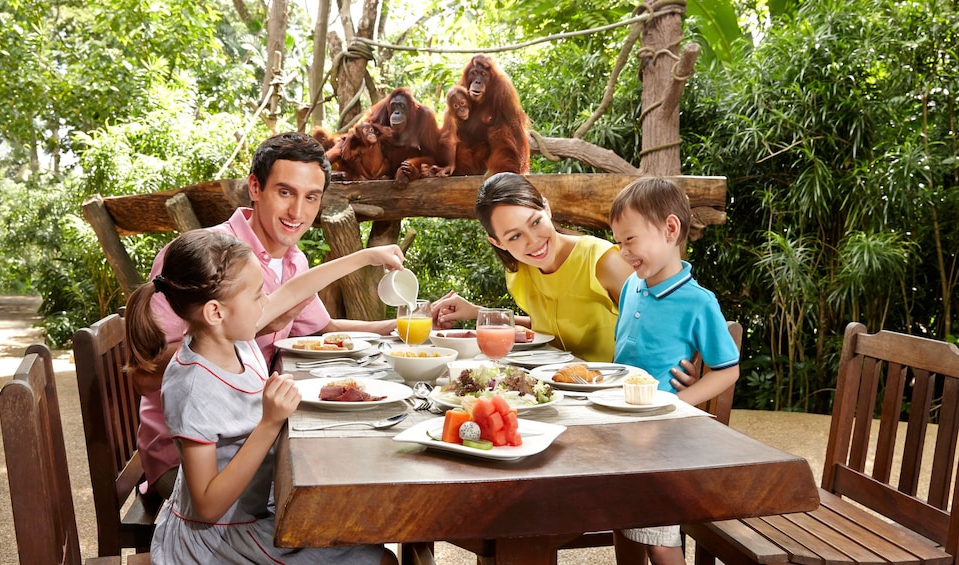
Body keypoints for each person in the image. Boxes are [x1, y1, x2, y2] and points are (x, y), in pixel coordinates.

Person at [131, 131, 398, 499]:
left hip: (251, 430)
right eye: (285, 192)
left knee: (354, 462)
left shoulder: (294, 259)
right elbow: (145, 378)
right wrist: (251, 331)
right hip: (188, 461)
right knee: (336, 486)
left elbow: (324, 329)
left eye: (311, 198)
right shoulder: (205, 258)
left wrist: (397, 327)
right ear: (255, 187)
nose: (298, 213)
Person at [126, 229, 401, 564]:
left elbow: (296, 288)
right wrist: (270, 423)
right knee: (379, 559)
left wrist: (367, 257)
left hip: (251, 510)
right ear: (216, 311)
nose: (266, 302)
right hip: (218, 540)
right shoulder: (193, 387)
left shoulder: (233, 337)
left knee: (363, 528)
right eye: (257, 295)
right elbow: (208, 506)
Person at [608, 177, 740, 565]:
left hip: (662, 442)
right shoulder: (633, 285)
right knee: (624, 522)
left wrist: (676, 402)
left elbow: (727, 370)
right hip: (622, 429)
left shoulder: (698, 302)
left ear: (670, 229)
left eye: (629, 239)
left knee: (661, 540)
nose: (623, 251)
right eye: (618, 241)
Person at [431, 172, 633, 362]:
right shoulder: (520, 272)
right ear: (498, 243)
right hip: (556, 387)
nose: (533, 240)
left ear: (547, 208)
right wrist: (477, 312)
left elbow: (653, 323)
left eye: (535, 222)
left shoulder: (603, 261)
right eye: (515, 236)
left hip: (613, 389)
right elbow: (546, 329)